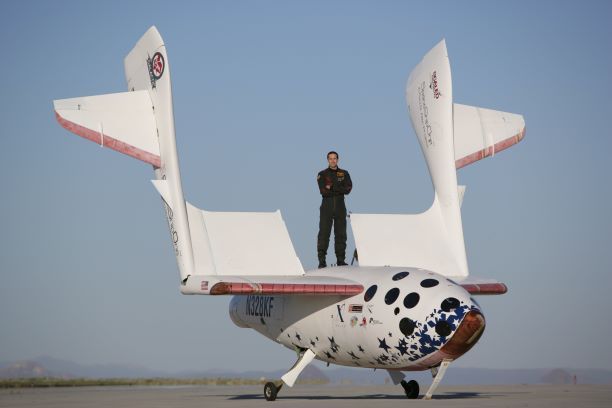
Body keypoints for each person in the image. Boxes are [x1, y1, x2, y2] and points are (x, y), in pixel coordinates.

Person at [316, 151, 352, 268]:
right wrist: (338, 188)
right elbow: (323, 191)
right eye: (330, 158)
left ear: (338, 160)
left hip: (340, 207)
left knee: (341, 234)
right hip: (327, 207)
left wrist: (332, 186)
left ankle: (340, 260)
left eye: (334, 158)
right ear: (327, 160)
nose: (332, 160)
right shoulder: (322, 174)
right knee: (324, 234)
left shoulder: (344, 173)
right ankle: (322, 261)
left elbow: (348, 189)